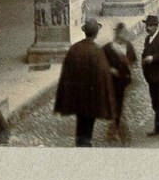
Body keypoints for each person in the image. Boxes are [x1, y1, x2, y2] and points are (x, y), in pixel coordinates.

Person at [54, 18, 116, 147]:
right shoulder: (97, 51)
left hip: (77, 95)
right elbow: (103, 75)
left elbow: (66, 72)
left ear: (85, 32)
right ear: (96, 33)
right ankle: (85, 143)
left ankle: (81, 141)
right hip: (91, 97)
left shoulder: (75, 49)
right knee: (88, 121)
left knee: (80, 119)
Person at [102, 21, 138, 143]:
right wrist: (110, 70)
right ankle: (125, 137)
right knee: (119, 109)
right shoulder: (108, 48)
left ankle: (110, 134)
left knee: (118, 109)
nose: (126, 35)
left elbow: (133, 62)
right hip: (112, 84)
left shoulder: (129, 46)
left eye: (126, 32)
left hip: (125, 83)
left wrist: (131, 70)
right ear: (117, 33)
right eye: (123, 32)